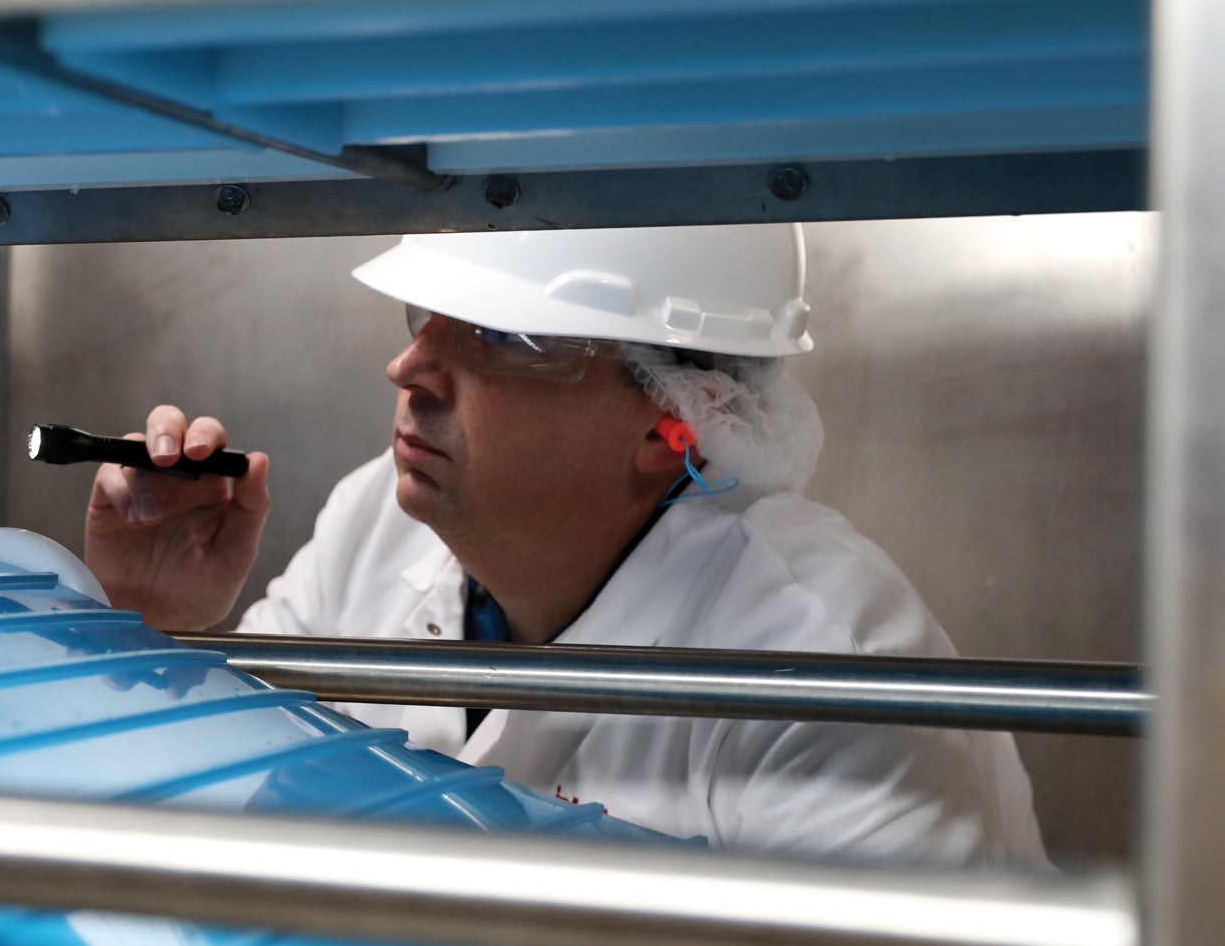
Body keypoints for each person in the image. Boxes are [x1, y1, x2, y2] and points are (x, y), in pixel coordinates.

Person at [81, 224, 1046, 866]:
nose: (409, 366)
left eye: (504, 334)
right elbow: (208, 840)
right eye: (429, 317)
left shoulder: (829, 677)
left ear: (677, 419)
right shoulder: (378, 517)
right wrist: (157, 627)